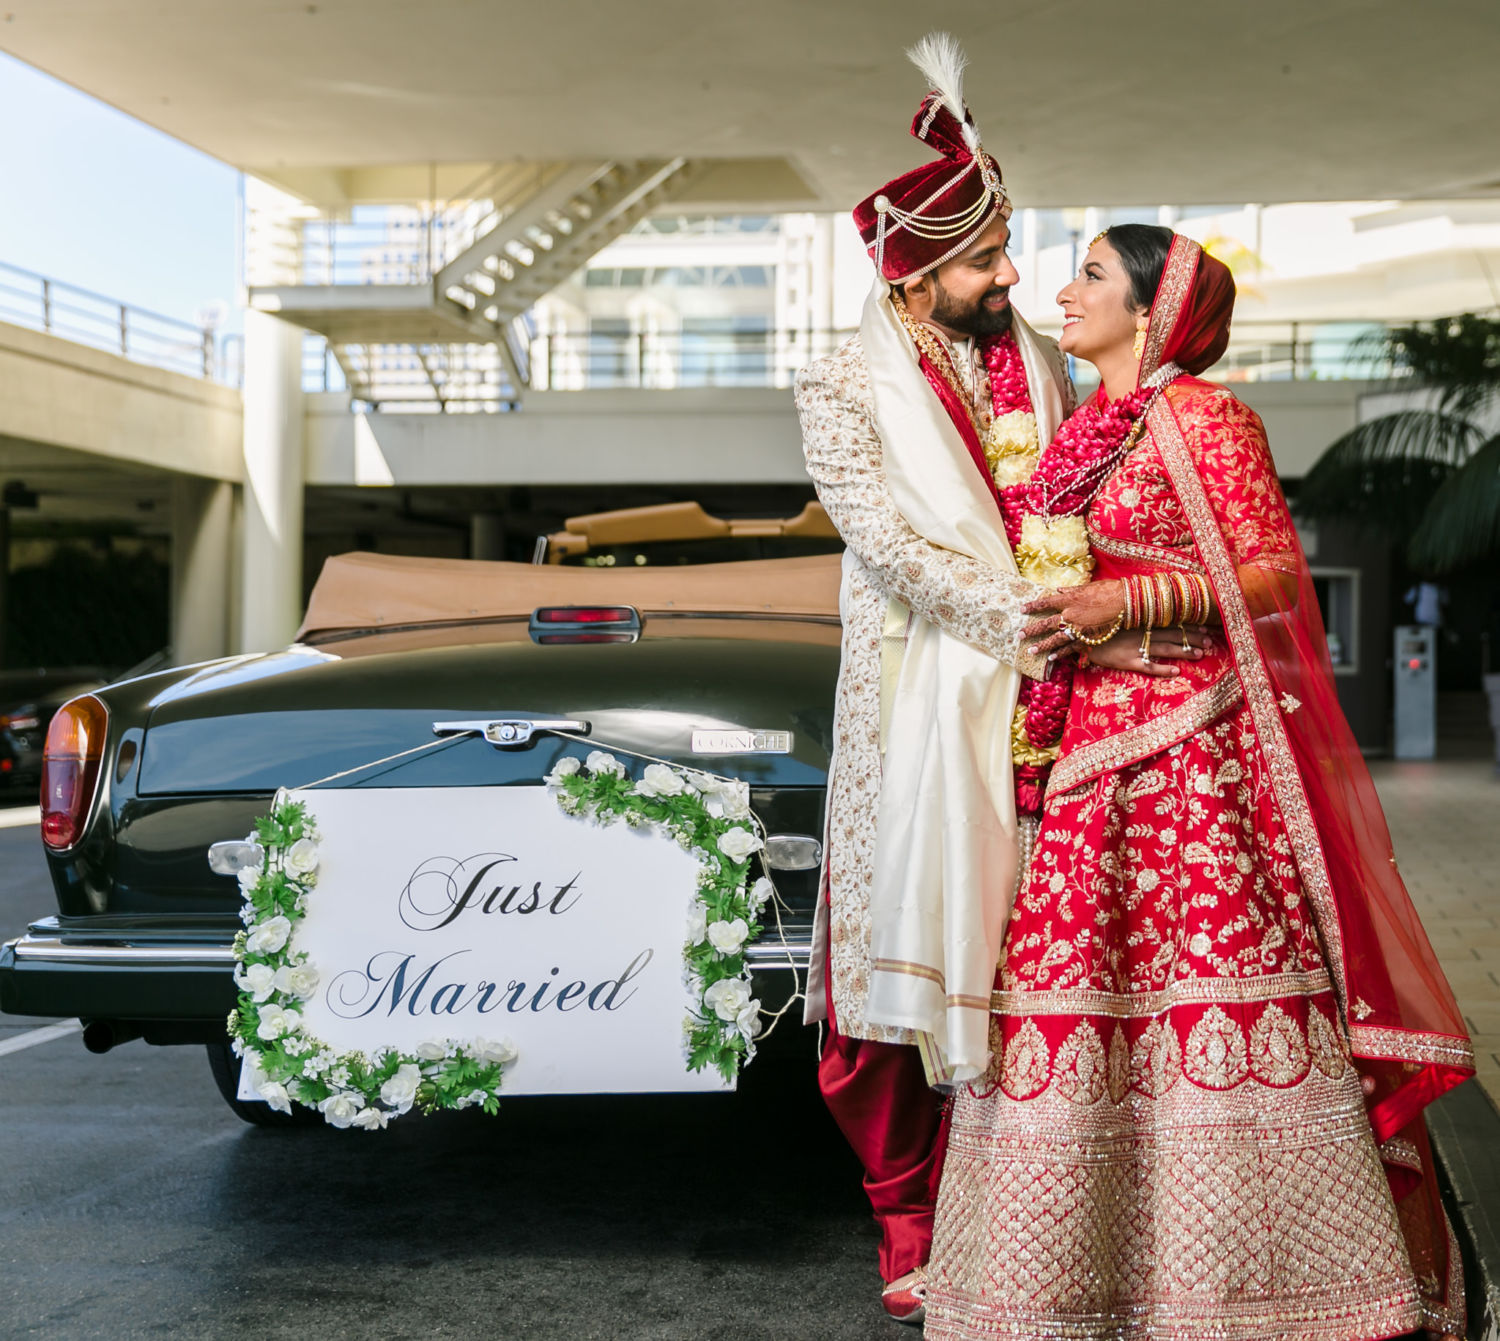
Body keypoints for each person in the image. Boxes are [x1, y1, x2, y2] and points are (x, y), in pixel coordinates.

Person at [923, 225, 1474, 1340]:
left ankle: (1254, 1289)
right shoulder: (1080, 436)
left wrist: (1129, 606)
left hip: (1196, 758)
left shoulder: (1207, 415)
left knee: (1208, 971)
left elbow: (1271, 568)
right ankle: (1070, 1283)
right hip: (1086, 751)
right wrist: (1082, 634)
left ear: (1152, 311)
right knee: (1075, 981)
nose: (1061, 293)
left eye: (1089, 276)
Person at [793, 36, 1205, 1325]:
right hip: (915, 694)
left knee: (1026, 947)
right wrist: (1033, 615)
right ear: (917, 278)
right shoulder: (838, 382)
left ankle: (1019, 1203)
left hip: (1041, 697)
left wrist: (1102, 611)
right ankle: (906, 1212)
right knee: (888, 959)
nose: (1011, 277)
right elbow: (887, 542)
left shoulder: (1042, 357)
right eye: (985, 260)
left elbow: (1096, 477)